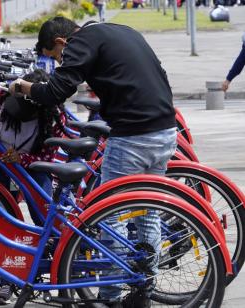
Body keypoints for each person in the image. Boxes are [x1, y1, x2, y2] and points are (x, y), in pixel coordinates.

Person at [9, 17, 177, 307]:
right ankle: (143, 289)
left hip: (133, 137)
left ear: (62, 42)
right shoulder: (121, 29)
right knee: (146, 212)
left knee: (109, 216)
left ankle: (110, 296)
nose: (61, 61)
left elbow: (56, 91)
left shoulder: (79, 42)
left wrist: (23, 87)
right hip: (164, 130)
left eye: (57, 56)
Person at [0, 69, 65, 305]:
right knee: (1, 223)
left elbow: (49, 154)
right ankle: (6, 282)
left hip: (33, 165)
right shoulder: (2, 98)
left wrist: (23, 160)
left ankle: (61, 275)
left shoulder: (53, 115)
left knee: (46, 219)